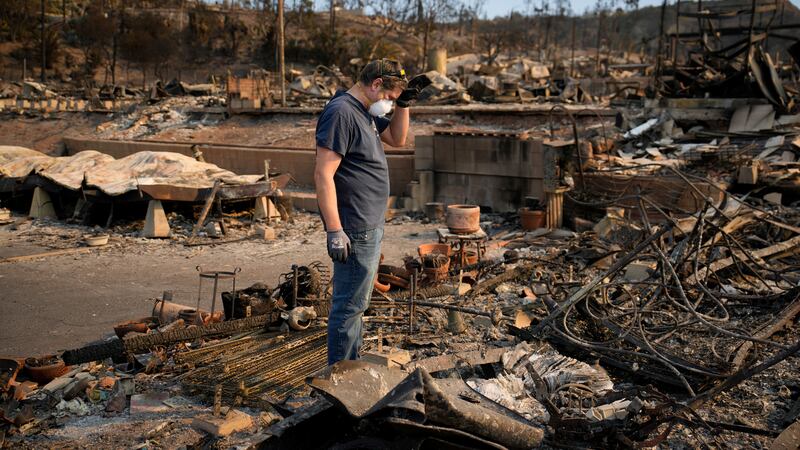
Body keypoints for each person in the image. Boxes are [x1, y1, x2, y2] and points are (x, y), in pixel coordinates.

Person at [314, 59, 430, 365]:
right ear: (376, 84)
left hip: (369, 223)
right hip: (354, 227)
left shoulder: (363, 111)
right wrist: (334, 230)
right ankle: (340, 380)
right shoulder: (341, 112)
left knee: (357, 305)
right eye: (390, 97)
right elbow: (323, 174)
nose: (389, 104)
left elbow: (397, 138)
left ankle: (350, 367)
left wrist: (404, 103)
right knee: (349, 308)